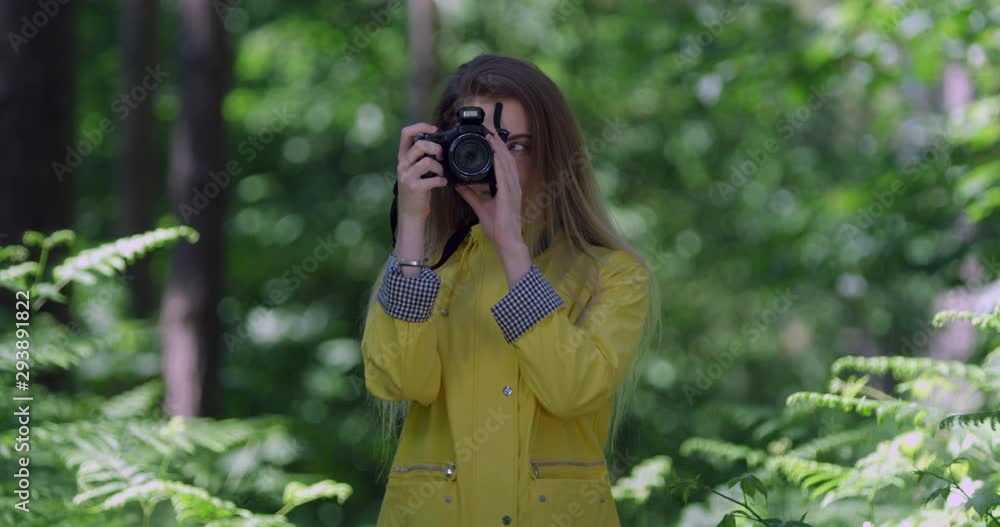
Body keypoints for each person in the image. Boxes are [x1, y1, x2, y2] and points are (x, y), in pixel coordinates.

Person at [361, 54, 658, 527]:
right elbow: (398, 381)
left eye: (516, 145)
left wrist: (511, 248)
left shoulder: (614, 275)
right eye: (478, 144)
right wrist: (411, 227)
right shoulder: (424, 267)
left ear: (554, 155)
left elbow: (571, 390)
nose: (494, 162)